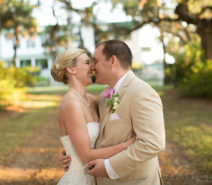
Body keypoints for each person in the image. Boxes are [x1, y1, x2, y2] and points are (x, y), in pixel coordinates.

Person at [59, 40, 166, 185]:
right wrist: (71, 152)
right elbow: (93, 135)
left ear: (113, 60)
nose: (93, 67)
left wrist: (110, 167)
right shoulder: (103, 97)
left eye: (95, 61)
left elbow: (153, 144)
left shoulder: (141, 92)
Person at [51, 48, 136, 185]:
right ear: (71, 69)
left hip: (97, 178)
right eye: (86, 62)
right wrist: (128, 145)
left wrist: (67, 151)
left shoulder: (94, 100)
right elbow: (86, 156)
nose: (92, 67)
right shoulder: (70, 102)